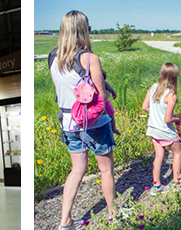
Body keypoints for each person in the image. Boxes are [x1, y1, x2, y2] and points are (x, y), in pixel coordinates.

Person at [48, 10, 124, 229]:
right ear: (84, 31)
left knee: (77, 170)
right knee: (106, 169)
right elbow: (100, 98)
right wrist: (107, 92)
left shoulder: (53, 58)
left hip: (69, 122)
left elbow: (67, 90)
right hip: (95, 124)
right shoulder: (90, 58)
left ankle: (65, 222)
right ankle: (113, 212)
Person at [142, 62, 181, 195]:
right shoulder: (171, 95)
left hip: (153, 129)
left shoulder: (153, 87)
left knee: (159, 156)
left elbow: (145, 107)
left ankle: (156, 185)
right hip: (165, 131)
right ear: (174, 77)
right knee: (177, 152)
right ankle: (176, 183)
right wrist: (177, 119)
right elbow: (167, 119)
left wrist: (155, 114)